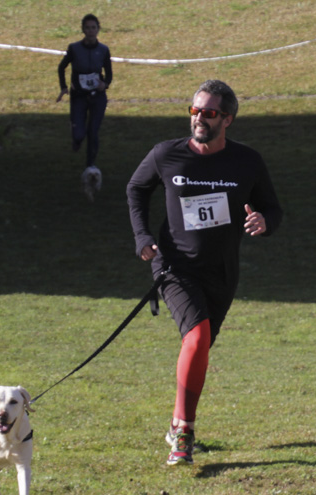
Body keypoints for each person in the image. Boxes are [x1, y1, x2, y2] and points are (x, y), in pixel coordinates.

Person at [126, 80, 283, 466]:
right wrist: (142, 235)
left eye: (209, 113)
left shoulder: (246, 161)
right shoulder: (167, 155)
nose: (199, 118)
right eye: (194, 110)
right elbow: (135, 188)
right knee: (196, 338)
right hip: (175, 266)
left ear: (227, 119)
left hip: (222, 272)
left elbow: (273, 209)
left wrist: (264, 221)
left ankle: (176, 420)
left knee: (198, 349)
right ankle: (184, 433)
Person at [56, 14, 112, 168]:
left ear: (98, 29)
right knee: (79, 134)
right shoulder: (74, 48)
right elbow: (62, 67)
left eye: (93, 27)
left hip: (97, 96)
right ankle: (76, 139)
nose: (91, 31)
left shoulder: (103, 50)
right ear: (83, 30)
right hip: (79, 96)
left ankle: (90, 165)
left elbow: (109, 73)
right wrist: (64, 87)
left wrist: (105, 84)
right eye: (87, 28)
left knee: (93, 132)